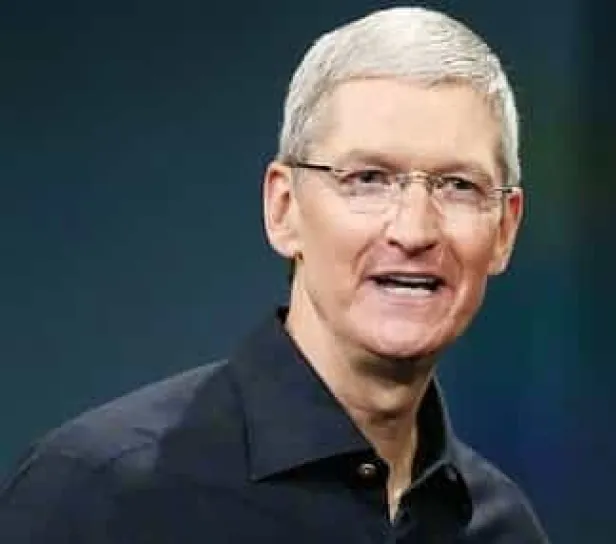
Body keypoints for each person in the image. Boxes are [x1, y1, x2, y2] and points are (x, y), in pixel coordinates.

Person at [0, 6, 549, 543]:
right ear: (284, 209)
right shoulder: (101, 495)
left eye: (459, 186)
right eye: (368, 179)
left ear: (505, 229)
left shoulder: (503, 527)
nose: (413, 230)